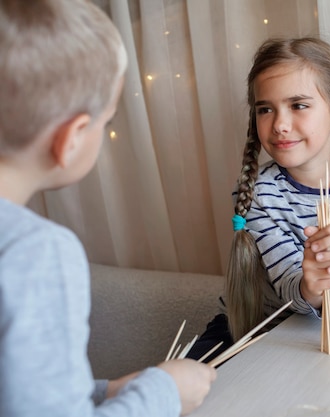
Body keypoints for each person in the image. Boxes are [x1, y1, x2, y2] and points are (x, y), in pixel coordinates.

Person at [0, 1, 216, 416]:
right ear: (73, 137)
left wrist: (104, 392)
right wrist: (165, 392)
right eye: (107, 123)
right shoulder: (36, 252)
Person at [187, 37, 330, 361]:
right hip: (253, 328)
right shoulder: (257, 193)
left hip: (326, 336)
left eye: (298, 105)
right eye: (265, 109)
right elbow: (292, 298)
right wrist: (310, 283)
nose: (279, 124)